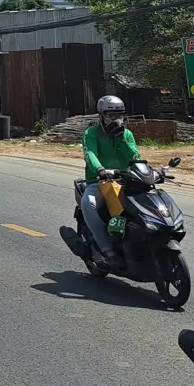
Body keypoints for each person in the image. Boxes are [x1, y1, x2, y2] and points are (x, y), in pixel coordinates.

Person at [80, 95, 142, 267]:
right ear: (101, 115)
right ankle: (106, 248)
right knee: (89, 204)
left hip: (126, 180)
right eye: (111, 115)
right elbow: (90, 154)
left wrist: (121, 139)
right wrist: (100, 170)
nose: (116, 120)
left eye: (119, 115)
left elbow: (135, 157)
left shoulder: (126, 134)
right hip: (99, 181)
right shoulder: (91, 133)